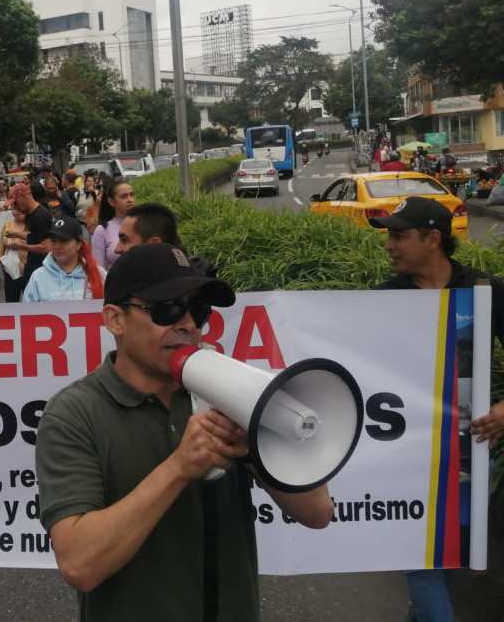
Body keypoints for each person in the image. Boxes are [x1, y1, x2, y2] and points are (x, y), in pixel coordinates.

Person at [35, 243, 334, 621]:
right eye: (167, 309)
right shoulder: (74, 414)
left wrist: (253, 449)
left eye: (198, 310)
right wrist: (179, 467)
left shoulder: (223, 390)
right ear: (115, 320)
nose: (188, 324)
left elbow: (318, 511)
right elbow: (80, 565)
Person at [369, 196, 504, 622]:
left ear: (433, 239)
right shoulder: (380, 300)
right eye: (388, 235)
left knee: (448, 558)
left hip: (469, 450)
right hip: (405, 453)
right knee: (423, 559)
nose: (389, 245)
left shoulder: (485, 291)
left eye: (399, 235)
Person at [22, 217, 105, 302]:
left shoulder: (99, 273)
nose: (57, 246)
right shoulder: (38, 277)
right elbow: (26, 312)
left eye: (64, 240)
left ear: (79, 244)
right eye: (53, 240)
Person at [3, 182, 53, 287]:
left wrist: (21, 246)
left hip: (41, 269)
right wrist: (16, 234)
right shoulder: (31, 214)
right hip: (33, 266)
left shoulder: (39, 216)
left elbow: (46, 247)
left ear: (24, 196)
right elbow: (35, 237)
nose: (15, 207)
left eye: (15, 203)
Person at [91, 179, 136, 269]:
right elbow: (98, 270)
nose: (130, 200)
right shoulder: (102, 230)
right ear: (112, 202)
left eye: (131, 195)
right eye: (123, 196)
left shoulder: (143, 224)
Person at [0, 206, 28, 302]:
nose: (18, 210)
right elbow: (0, 247)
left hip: (29, 270)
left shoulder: (33, 224)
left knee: (31, 303)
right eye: (15, 208)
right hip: (10, 271)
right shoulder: (6, 226)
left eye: (20, 207)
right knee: (11, 301)